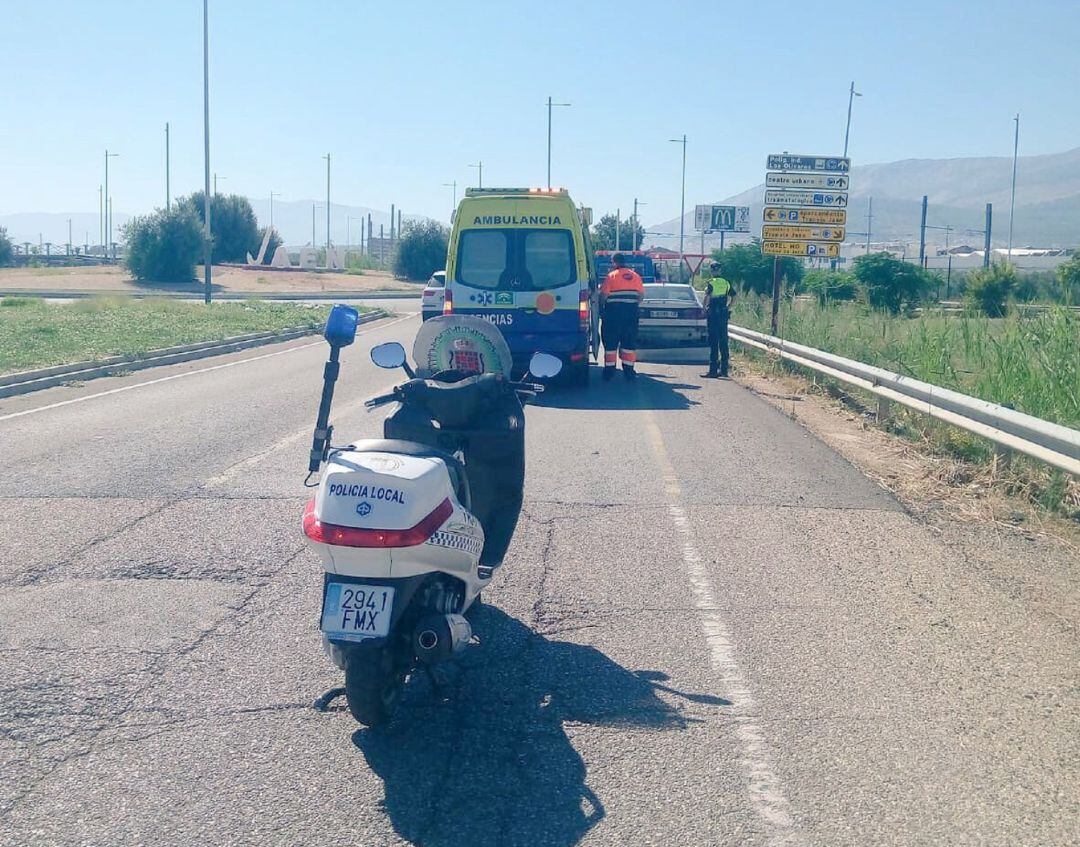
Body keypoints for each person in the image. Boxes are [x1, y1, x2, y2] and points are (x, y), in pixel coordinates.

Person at [600, 253, 645, 381]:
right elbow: (641, 297)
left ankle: (609, 371)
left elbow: (603, 297)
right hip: (631, 314)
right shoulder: (636, 276)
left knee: (611, 343)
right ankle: (629, 371)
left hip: (613, 315)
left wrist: (602, 307)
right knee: (629, 343)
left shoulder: (611, 276)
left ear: (614, 262)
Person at [703, 262, 736, 378]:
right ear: (720, 271)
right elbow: (734, 296)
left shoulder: (711, 283)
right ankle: (724, 370)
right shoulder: (726, 283)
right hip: (723, 315)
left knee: (713, 342)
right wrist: (728, 307)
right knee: (723, 342)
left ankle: (713, 371)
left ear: (712, 271)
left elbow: (707, 297)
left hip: (713, 315)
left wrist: (704, 309)